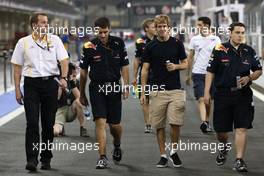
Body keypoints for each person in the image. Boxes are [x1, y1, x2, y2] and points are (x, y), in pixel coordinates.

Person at [11, 12, 69, 171]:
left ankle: (46, 157)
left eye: (47, 22)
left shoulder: (55, 40)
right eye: (43, 22)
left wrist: (63, 78)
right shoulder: (23, 43)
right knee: (32, 123)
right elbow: (17, 68)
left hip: (50, 84)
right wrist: (17, 89)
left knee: (48, 124)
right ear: (34, 25)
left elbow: (64, 60)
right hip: (31, 85)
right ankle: (31, 159)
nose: (46, 25)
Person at [204, 22, 262, 172]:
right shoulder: (219, 49)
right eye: (237, 32)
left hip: (243, 95)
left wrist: (249, 78)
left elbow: (258, 70)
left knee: (241, 128)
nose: (240, 35)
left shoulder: (249, 50)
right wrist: (206, 92)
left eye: (243, 32)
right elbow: (210, 71)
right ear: (230, 33)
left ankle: (239, 160)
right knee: (221, 131)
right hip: (223, 94)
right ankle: (224, 147)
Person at [79, 17, 129, 169]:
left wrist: (126, 86)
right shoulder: (88, 46)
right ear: (95, 30)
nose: (102, 35)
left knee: (115, 126)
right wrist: (81, 93)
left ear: (109, 30)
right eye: (99, 32)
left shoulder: (118, 43)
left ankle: (117, 144)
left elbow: (124, 66)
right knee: (100, 122)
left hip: (114, 87)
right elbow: (82, 72)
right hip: (96, 88)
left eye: (105, 32)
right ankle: (102, 157)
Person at [141, 14, 188, 168]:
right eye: (158, 26)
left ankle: (173, 151)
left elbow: (186, 64)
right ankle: (163, 155)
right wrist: (143, 92)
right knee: (159, 126)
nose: (161, 29)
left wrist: (176, 67)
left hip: (175, 89)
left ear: (169, 28)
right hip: (157, 90)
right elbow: (145, 70)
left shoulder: (177, 43)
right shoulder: (150, 46)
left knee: (175, 123)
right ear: (155, 28)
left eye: (164, 26)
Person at [186, 17, 221, 133]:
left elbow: (220, 57)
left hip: (212, 74)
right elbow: (190, 57)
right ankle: (204, 122)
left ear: (207, 25)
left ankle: (207, 120)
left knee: (208, 100)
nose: (198, 27)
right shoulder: (195, 39)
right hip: (198, 73)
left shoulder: (216, 39)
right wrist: (188, 74)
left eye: (200, 25)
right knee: (201, 99)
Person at [133, 18, 156, 133]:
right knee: (145, 99)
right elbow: (137, 60)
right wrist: (134, 76)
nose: (156, 29)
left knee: (155, 100)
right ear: (146, 29)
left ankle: (155, 120)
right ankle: (148, 123)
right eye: (153, 27)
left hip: (158, 74)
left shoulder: (161, 40)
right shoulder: (140, 42)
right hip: (144, 74)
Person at [53, 62, 89, 137]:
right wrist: (60, 87)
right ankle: (60, 128)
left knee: (78, 101)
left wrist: (72, 83)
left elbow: (80, 99)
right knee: (55, 132)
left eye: (75, 72)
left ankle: (83, 128)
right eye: (72, 72)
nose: (74, 73)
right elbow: (56, 99)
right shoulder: (57, 82)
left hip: (71, 109)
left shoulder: (76, 82)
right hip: (60, 111)